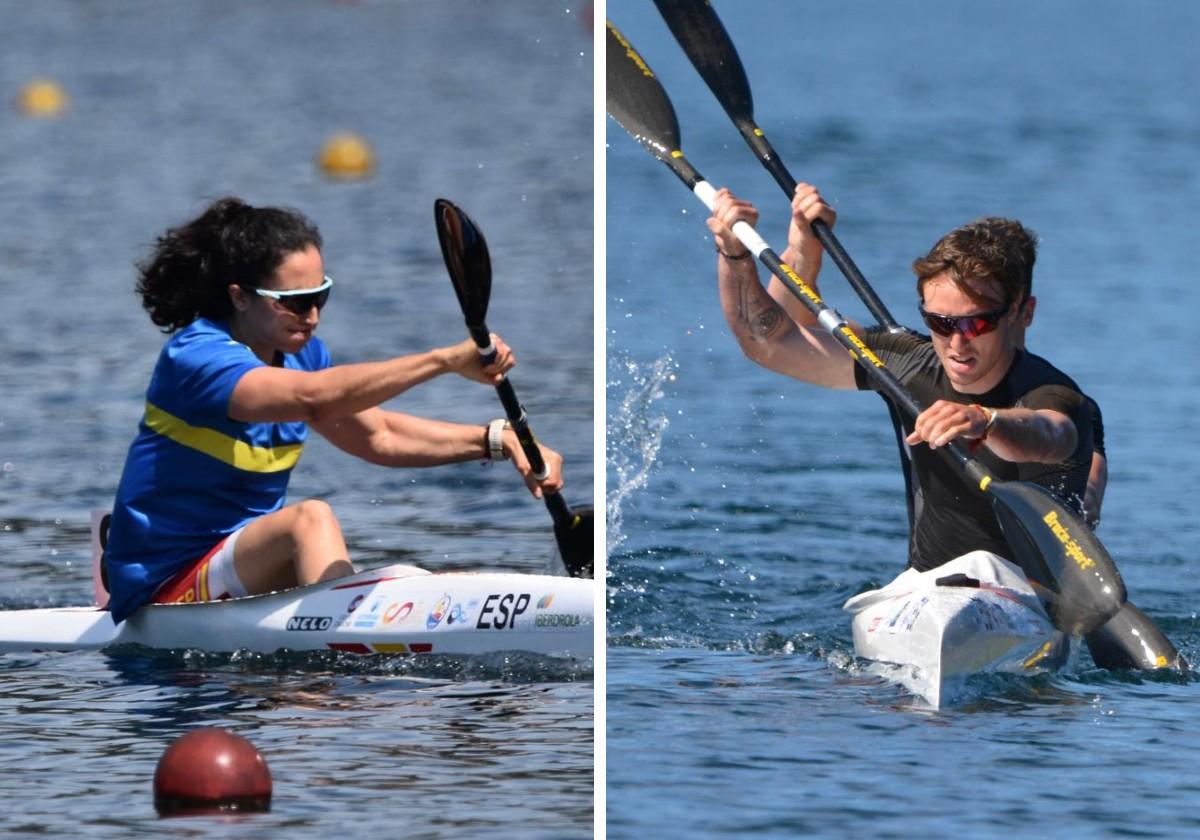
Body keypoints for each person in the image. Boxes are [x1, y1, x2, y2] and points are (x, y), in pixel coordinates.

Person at [103, 196, 563, 623]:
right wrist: (443, 361)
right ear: (240, 296)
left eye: (320, 296)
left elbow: (380, 435)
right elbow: (314, 397)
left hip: (237, 564)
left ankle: (348, 653)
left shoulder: (302, 354)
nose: (313, 316)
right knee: (311, 519)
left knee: (402, 577)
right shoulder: (196, 358)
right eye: (294, 303)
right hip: (164, 586)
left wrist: (496, 439)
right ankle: (339, 663)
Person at [706, 185, 1093, 572]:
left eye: (977, 322)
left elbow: (1051, 436)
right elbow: (768, 343)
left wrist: (986, 420)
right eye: (939, 322)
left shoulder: (1054, 394)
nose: (957, 342)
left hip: (1024, 596)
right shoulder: (905, 362)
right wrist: (740, 253)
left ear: (1021, 313)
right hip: (926, 592)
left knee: (1090, 485)